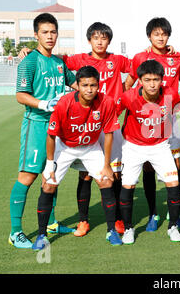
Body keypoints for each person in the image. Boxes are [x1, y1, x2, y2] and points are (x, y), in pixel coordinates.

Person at [18, 22, 130, 236]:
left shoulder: (117, 61)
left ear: (109, 40)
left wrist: (123, 91)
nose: (100, 41)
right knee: (84, 177)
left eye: (104, 38)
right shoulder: (78, 62)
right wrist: (30, 51)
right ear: (89, 40)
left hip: (104, 122)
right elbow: (52, 57)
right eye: (95, 37)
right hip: (75, 139)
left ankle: (115, 223)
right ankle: (82, 221)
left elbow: (137, 68)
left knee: (112, 173)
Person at [32, 66, 122, 250]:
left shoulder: (107, 102)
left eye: (93, 85)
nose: (89, 89)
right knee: (48, 184)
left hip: (90, 147)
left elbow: (110, 134)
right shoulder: (64, 103)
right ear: (77, 86)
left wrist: (107, 165)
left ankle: (111, 230)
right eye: (85, 85)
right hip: (64, 147)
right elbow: (51, 135)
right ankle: (41, 235)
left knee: (106, 181)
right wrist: (50, 164)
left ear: (99, 85)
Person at [8, 13, 77, 249]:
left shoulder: (59, 63)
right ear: (36, 34)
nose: (50, 36)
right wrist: (42, 104)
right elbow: (20, 95)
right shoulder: (29, 61)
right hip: (37, 126)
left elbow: (76, 83)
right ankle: (15, 232)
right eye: (45, 32)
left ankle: (50, 222)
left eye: (53, 32)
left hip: (58, 128)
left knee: (52, 175)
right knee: (28, 176)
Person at [124, 17, 180, 232]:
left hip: (171, 118)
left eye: (164, 34)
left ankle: (174, 216)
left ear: (168, 36)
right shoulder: (140, 57)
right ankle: (152, 213)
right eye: (156, 34)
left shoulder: (178, 57)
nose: (160, 37)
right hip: (145, 119)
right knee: (147, 165)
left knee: (174, 165)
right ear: (149, 36)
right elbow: (129, 84)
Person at [117, 60, 180, 244]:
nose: (152, 84)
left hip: (160, 145)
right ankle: (129, 229)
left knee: (173, 182)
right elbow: (111, 113)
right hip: (133, 146)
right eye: (147, 80)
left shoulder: (170, 93)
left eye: (156, 79)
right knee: (128, 186)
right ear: (140, 81)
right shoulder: (129, 97)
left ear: (162, 80)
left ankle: (173, 227)